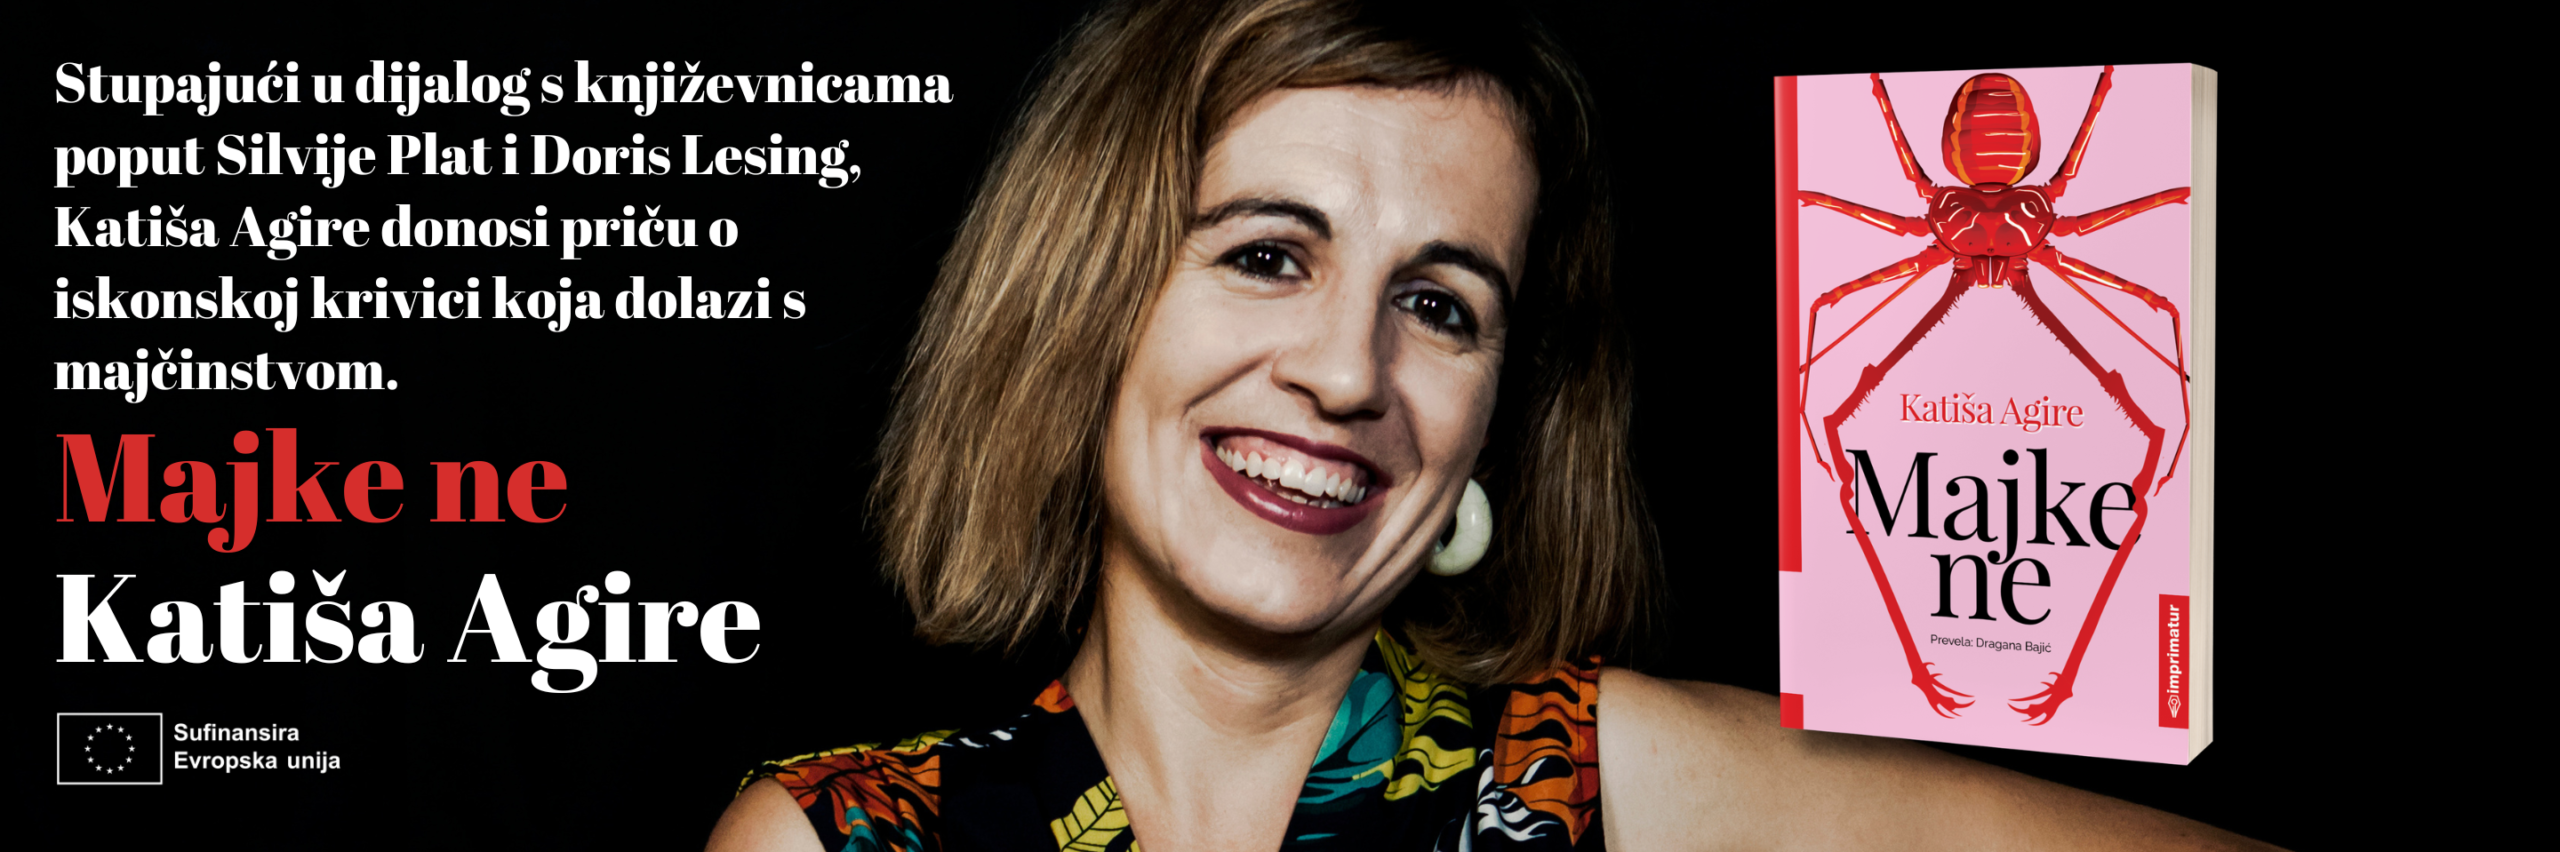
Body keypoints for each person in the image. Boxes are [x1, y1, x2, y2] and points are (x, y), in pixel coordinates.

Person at [709, 1, 2279, 849]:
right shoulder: (832, 842)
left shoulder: (1608, 777)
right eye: (1269, 257)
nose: (1347, 374)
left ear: (1496, 420)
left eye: (1441, 304)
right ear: (1088, 304)